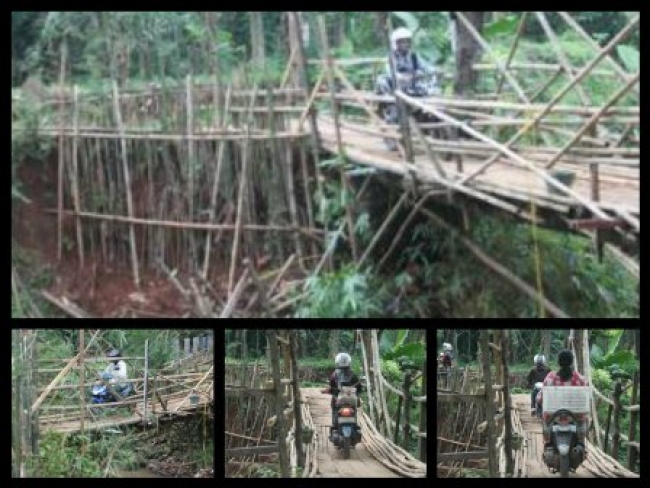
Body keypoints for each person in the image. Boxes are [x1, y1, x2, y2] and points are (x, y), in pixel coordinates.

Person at [374, 27, 439, 150]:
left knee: (430, 98)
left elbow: (426, 67)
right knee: (396, 110)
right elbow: (390, 71)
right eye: (402, 42)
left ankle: (430, 128)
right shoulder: (391, 57)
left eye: (407, 41)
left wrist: (434, 71)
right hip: (396, 89)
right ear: (396, 44)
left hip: (413, 87)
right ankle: (392, 138)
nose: (405, 44)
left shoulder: (414, 56)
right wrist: (400, 77)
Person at [536, 349, 588, 460]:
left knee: (545, 423)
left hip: (554, 418)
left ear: (558, 362)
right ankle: (580, 444)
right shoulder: (580, 379)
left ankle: (548, 443)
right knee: (583, 425)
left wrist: (538, 401)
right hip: (574, 418)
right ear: (571, 362)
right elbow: (585, 398)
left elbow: (541, 397)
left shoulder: (550, 377)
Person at [321, 352, 363, 436]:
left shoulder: (334, 374)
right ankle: (355, 424)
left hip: (338, 399)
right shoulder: (353, 374)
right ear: (348, 362)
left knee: (334, 407)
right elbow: (359, 388)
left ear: (337, 361)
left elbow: (331, 386)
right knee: (355, 408)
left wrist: (329, 391)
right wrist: (358, 392)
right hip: (351, 399)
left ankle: (334, 424)